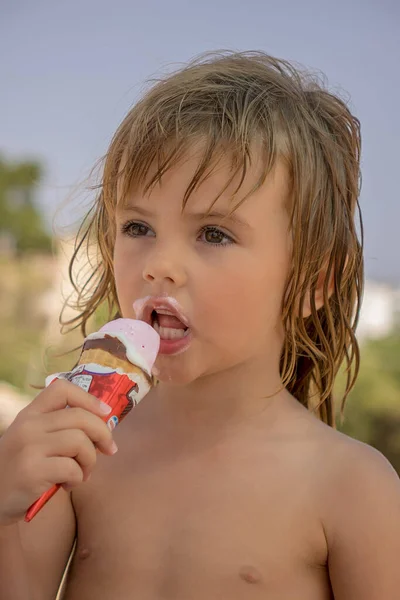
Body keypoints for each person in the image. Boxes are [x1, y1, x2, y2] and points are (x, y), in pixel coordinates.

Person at [0, 51, 399, 600]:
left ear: (312, 283)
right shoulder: (78, 452)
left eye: (214, 233)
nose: (158, 263)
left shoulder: (352, 489)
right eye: (137, 225)